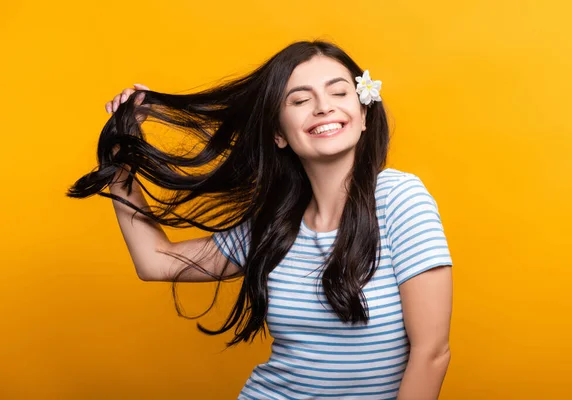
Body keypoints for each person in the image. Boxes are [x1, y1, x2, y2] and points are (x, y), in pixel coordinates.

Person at [68, 40, 454, 400]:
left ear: (364, 114)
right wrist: (119, 164)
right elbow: (155, 261)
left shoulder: (399, 199)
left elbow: (432, 352)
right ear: (279, 134)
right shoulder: (273, 225)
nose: (324, 107)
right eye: (300, 100)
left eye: (339, 93)